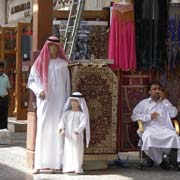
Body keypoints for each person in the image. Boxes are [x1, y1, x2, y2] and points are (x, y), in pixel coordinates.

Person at [28, 36, 71, 174]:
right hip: (45, 101)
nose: (53, 49)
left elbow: (67, 86)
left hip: (60, 101)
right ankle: (39, 163)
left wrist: (67, 103)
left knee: (58, 129)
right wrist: (39, 90)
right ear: (47, 47)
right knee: (43, 128)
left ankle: (56, 163)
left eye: (55, 46)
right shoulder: (39, 63)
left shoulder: (63, 65)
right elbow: (31, 81)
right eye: (50, 46)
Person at [131, 82, 180, 170]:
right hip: (149, 129)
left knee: (174, 136)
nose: (157, 91)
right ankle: (161, 161)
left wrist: (165, 100)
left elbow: (174, 114)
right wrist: (149, 116)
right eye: (154, 89)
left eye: (159, 89)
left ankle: (177, 162)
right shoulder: (143, 103)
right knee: (148, 137)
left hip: (165, 129)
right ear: (149, 92)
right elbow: (134, 116)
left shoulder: (165, 102)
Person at [58, 92, 90, 174]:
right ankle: (68, 167)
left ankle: (77, 167)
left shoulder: (81, 114)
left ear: (79, 103)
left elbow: (84, 123)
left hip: (77, 136)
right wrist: (61, 128)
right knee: (68, 149)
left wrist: (78, 130)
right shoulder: (66, 113)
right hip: (68, 136)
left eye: (75, 101)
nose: (73, 103)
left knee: (77, 150)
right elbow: (62, 121)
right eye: (72, 101)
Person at [0, 61, 10, 129]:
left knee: (4, 116)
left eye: (2, 68)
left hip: (4, 99)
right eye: (0, 68)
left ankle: (3, 132)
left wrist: (8, 100)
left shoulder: (6, 77)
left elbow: (8, 88)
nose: (1, 69)